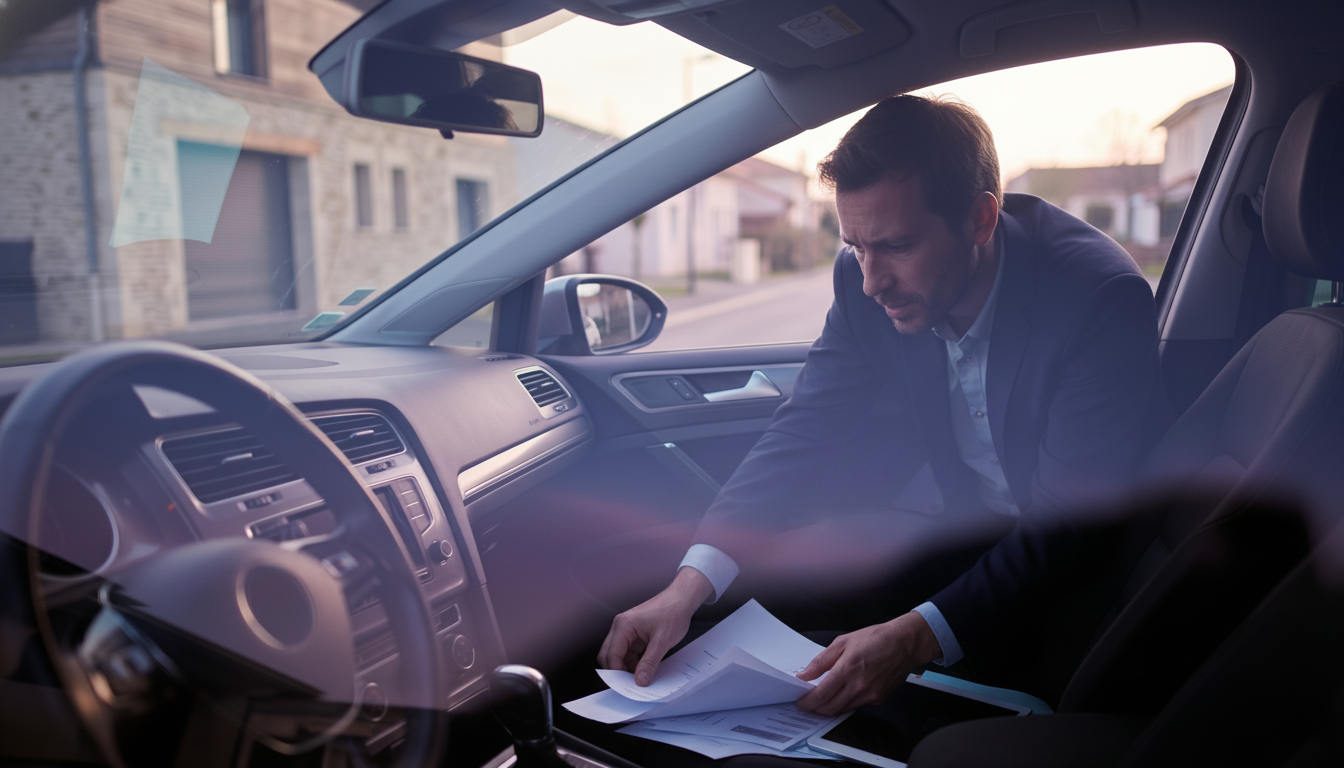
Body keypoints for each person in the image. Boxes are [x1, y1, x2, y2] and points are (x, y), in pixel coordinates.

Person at [598, 94, 1165, 717]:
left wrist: (914, 636)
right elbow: (802, 429)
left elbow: (1066, 525)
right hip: (962, 527)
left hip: (1077, 567)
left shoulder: (1097, 299)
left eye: (895, 246)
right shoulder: (861, 279)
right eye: (856, 247)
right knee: (752, 596)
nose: (871, 281)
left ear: (980, 221)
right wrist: (687, 588)